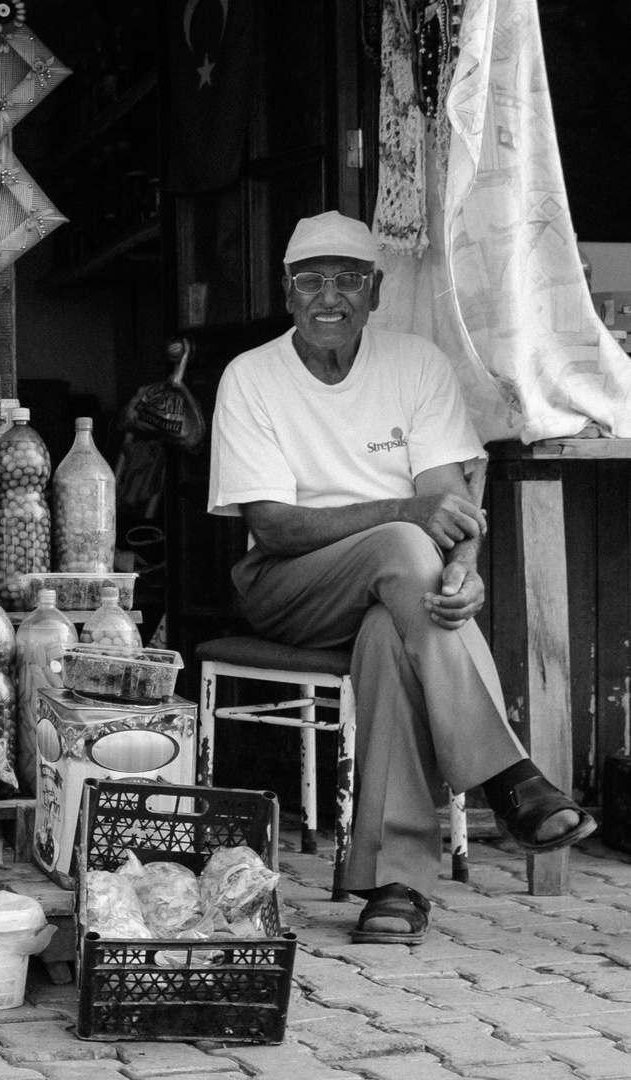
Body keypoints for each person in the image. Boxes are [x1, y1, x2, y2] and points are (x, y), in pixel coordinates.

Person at [206, 210, 595, 945]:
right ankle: (507, 774)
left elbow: (450, 508)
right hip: (288, 586)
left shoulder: (416, 364)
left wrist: (462, 577)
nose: (329, 295)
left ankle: (395, 886)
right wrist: (405, 515)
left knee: (394, 632)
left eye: (348, 278)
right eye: (310, 279)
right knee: (399, 541)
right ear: (287, 293)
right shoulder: (251, 377)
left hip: (397, 597)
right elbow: (275, 525)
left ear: (377, 290)